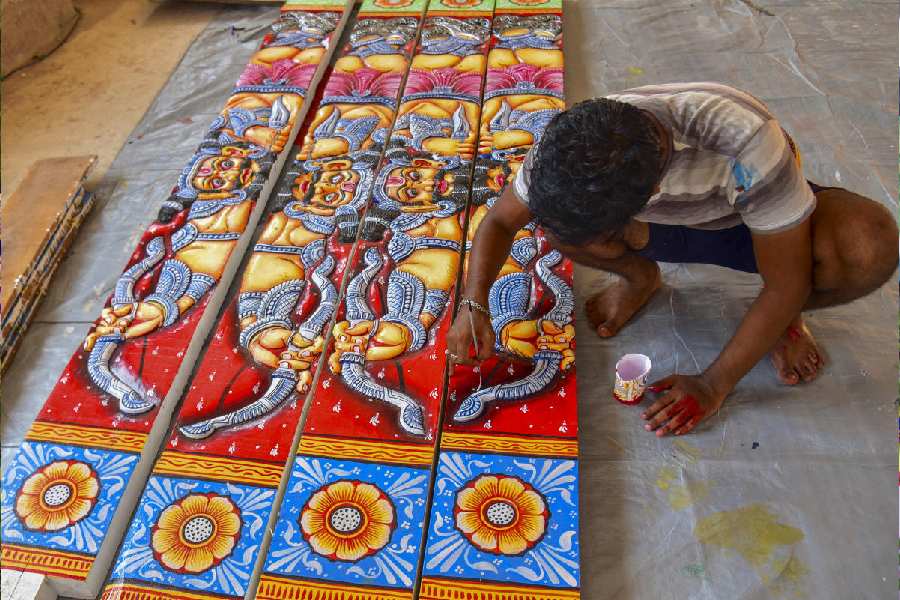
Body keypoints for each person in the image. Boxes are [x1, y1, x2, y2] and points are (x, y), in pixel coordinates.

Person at [446, 82, 898, 437]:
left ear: (651, 196)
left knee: (867, 245)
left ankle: (782, 323)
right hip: (652, 226)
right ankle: (639, 278)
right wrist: (474, 303)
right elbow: (500, 222)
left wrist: (712, 385)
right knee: (560, 221)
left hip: (745, 219)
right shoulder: (571, 147)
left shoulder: (747, 142)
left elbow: (787, 283)